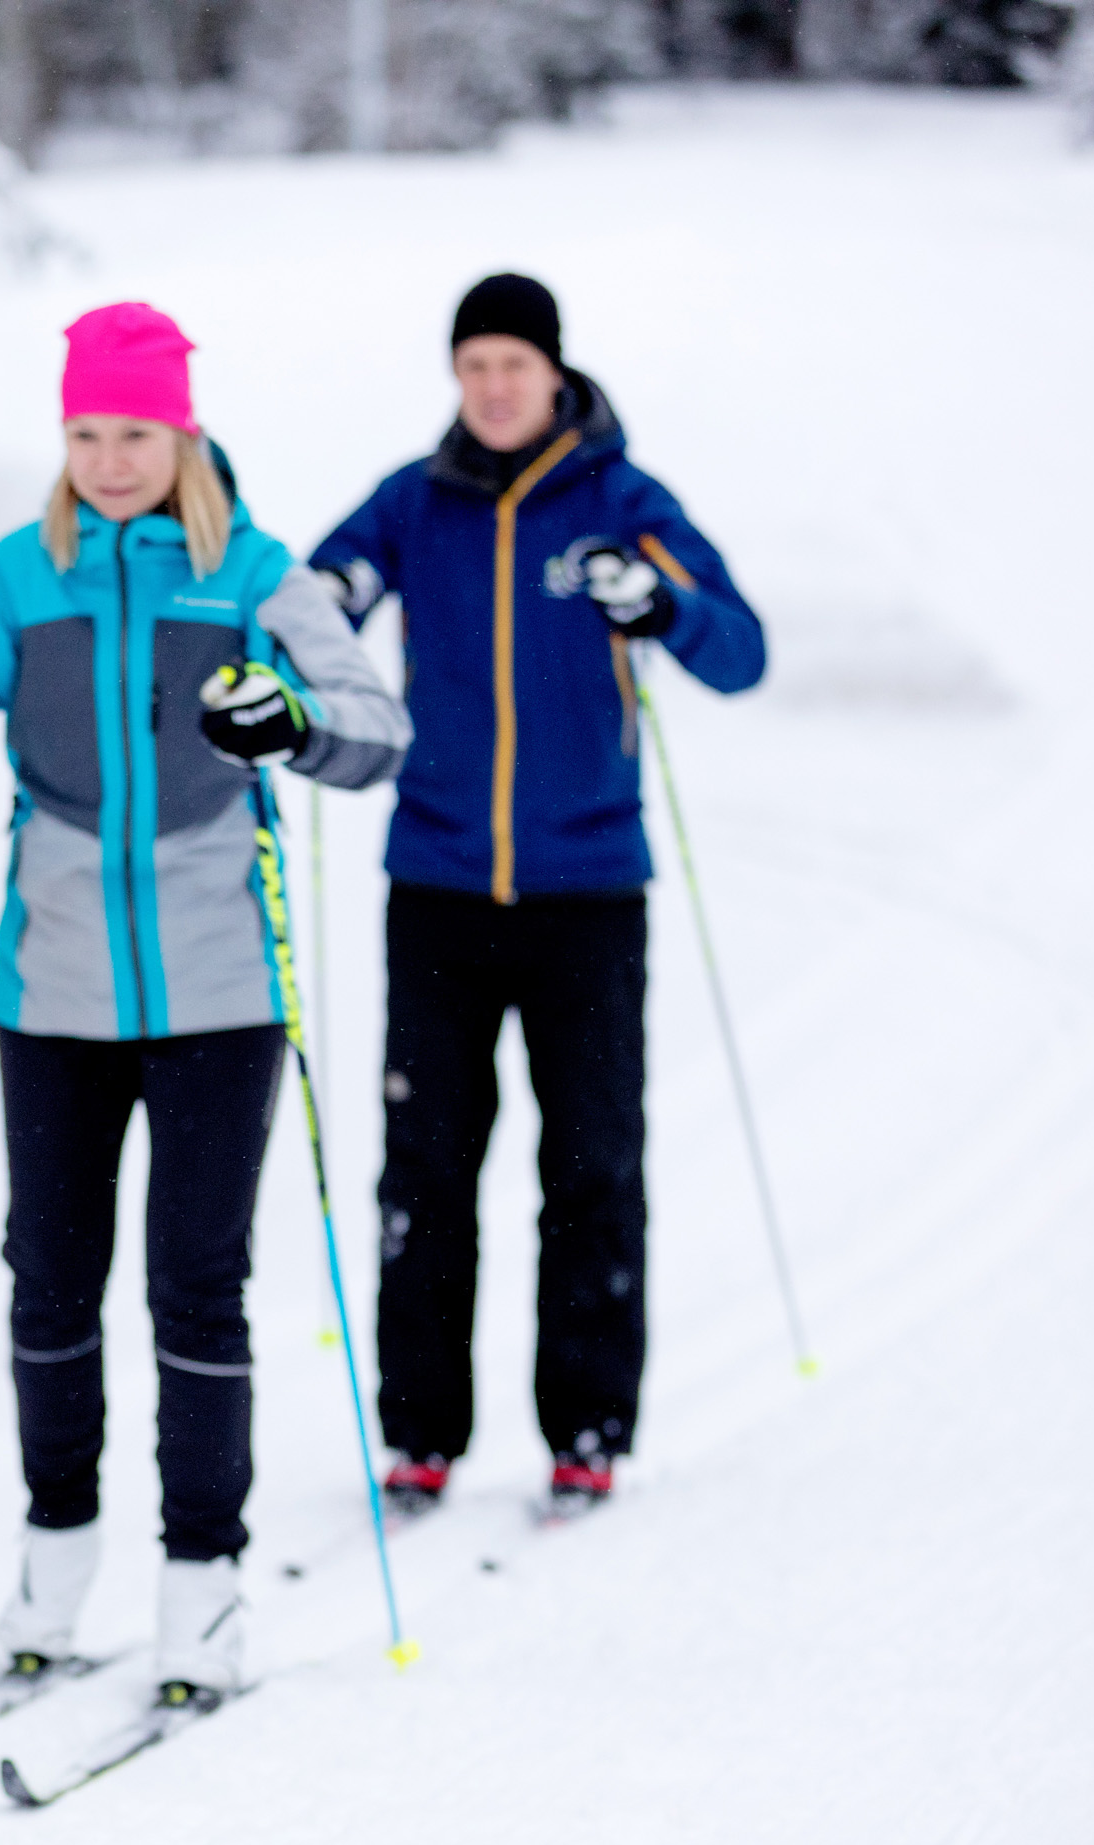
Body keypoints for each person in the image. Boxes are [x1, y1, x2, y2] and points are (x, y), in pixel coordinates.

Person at [0, 302, 409, 1708]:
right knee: (48, 1276)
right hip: (52, 992)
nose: (110, 459)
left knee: (194, 1286)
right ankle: (57, 1556)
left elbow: (373, 727)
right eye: (87, 432)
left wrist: (286, 720)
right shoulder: (16, 578)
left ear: (183, 436)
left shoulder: (254, 577)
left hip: (224, 987)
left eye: (137, 433)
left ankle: (203, 1588)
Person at [308, 272, 766, 1519]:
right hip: (440, 885)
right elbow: (310, 595)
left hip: (586, 895)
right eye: (473, 367)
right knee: (426, 1170)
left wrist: (656, 601)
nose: (494, 387)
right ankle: (418, 1436)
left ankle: (586, 1426)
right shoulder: (417, 499)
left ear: (554, 372)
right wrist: (333, 604)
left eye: (514, 364)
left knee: (590, 1165)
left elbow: (739, 649)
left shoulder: (621, 501)